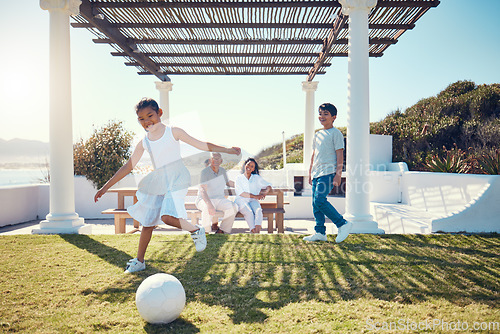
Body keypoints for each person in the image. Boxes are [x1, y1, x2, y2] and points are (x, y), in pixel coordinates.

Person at [94, 98, 240, 273]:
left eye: (150, 116)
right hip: (158, 182)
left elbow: (202, 145)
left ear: (160, 113)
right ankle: (139, 261)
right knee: (147, 223)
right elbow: (128, 166)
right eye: (141, 119)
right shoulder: (144, 142)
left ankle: (196, 230)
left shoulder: (173, 132)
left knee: (166, 217)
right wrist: (105, 187)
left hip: (177, 179)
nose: (147, 121)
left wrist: (228, 150)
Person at [303, 103, 352, 243]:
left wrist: (338, 174)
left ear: (334, 117)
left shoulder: (336, 133)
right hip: (317, 172)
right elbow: (314, 154)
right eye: (320, 113)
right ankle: (320, 232)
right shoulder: (317, 134)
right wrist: (310, 172)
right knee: (315, 203)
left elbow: (340, 154)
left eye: (326, 114)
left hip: (328, 172)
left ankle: (342, 224)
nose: (322, 116)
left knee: (319, 200)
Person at [195, 152, 238, 234]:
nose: (215, 160)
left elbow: (228, 182)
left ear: (221, 161)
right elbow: (203, 190)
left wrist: (241, 185)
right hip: (204, 199)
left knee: (234, 207)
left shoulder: (222, 171)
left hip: (219, 199)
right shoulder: (205, 172)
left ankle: (222, 230)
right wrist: (209, 204)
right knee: (207, 208)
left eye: (217, 158)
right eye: (213, 158)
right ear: (210, 160)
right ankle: (205, 233)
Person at [234, 158, 272, 233]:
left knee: (258, 211)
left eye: (252, 166)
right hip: (241, 200)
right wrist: (256, 196)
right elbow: (241, 193)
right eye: (248, 165)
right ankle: (253, 230)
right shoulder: (239, 178)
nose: (249, 167)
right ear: (245, 165)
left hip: (253, 201)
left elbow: (268, 185)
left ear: (253, 169)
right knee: (249, 212)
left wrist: (265, 192)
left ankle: (257, 232)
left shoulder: (256, 178)